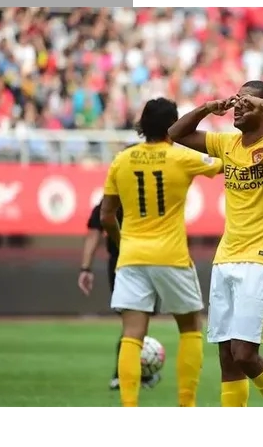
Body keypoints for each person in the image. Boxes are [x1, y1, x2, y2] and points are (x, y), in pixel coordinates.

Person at [168, 80, 263, 407]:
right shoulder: (226, 143)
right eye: (237, 100)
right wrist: (206, 108)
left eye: (246, 102)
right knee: (227, 357)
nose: (237, 106)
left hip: (261, 259)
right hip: (225, 258)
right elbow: (175, 133)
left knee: (244, 354)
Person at [98, 97, 223, 407]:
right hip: (171, 256)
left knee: (132, 333)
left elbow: (106, 216)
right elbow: (226, 162)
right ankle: (186, 405)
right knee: (190, 327)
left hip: (131, 257)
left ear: (142, 124)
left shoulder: (122, 160)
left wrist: (123, 242)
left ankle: (129, 406)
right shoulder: (181, 157)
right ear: (173, 125)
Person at [78, 197, 159, 390]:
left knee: (137, 321)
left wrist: (86, 267)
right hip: (134, 262)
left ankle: (136, 372)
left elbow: (95, 230)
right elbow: (97, 227)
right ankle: (123, 375)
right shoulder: (138, 194)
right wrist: (85, 267)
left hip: (132, 262)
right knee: (134, 322)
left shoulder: (113, 195)